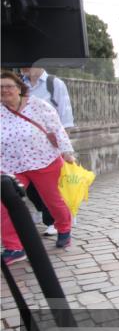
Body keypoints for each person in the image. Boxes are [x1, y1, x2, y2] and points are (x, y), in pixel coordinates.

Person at [1, 70, 76, 263]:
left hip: (44, 161)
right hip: (11, 165)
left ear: (19, 88)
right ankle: (14, 247)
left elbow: (57, 129)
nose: (4, 90)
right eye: (0, 88)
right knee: (4, 206)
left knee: (52, 200)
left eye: (9, 86)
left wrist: (67, 152)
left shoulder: (37, 105)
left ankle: (64, 228)